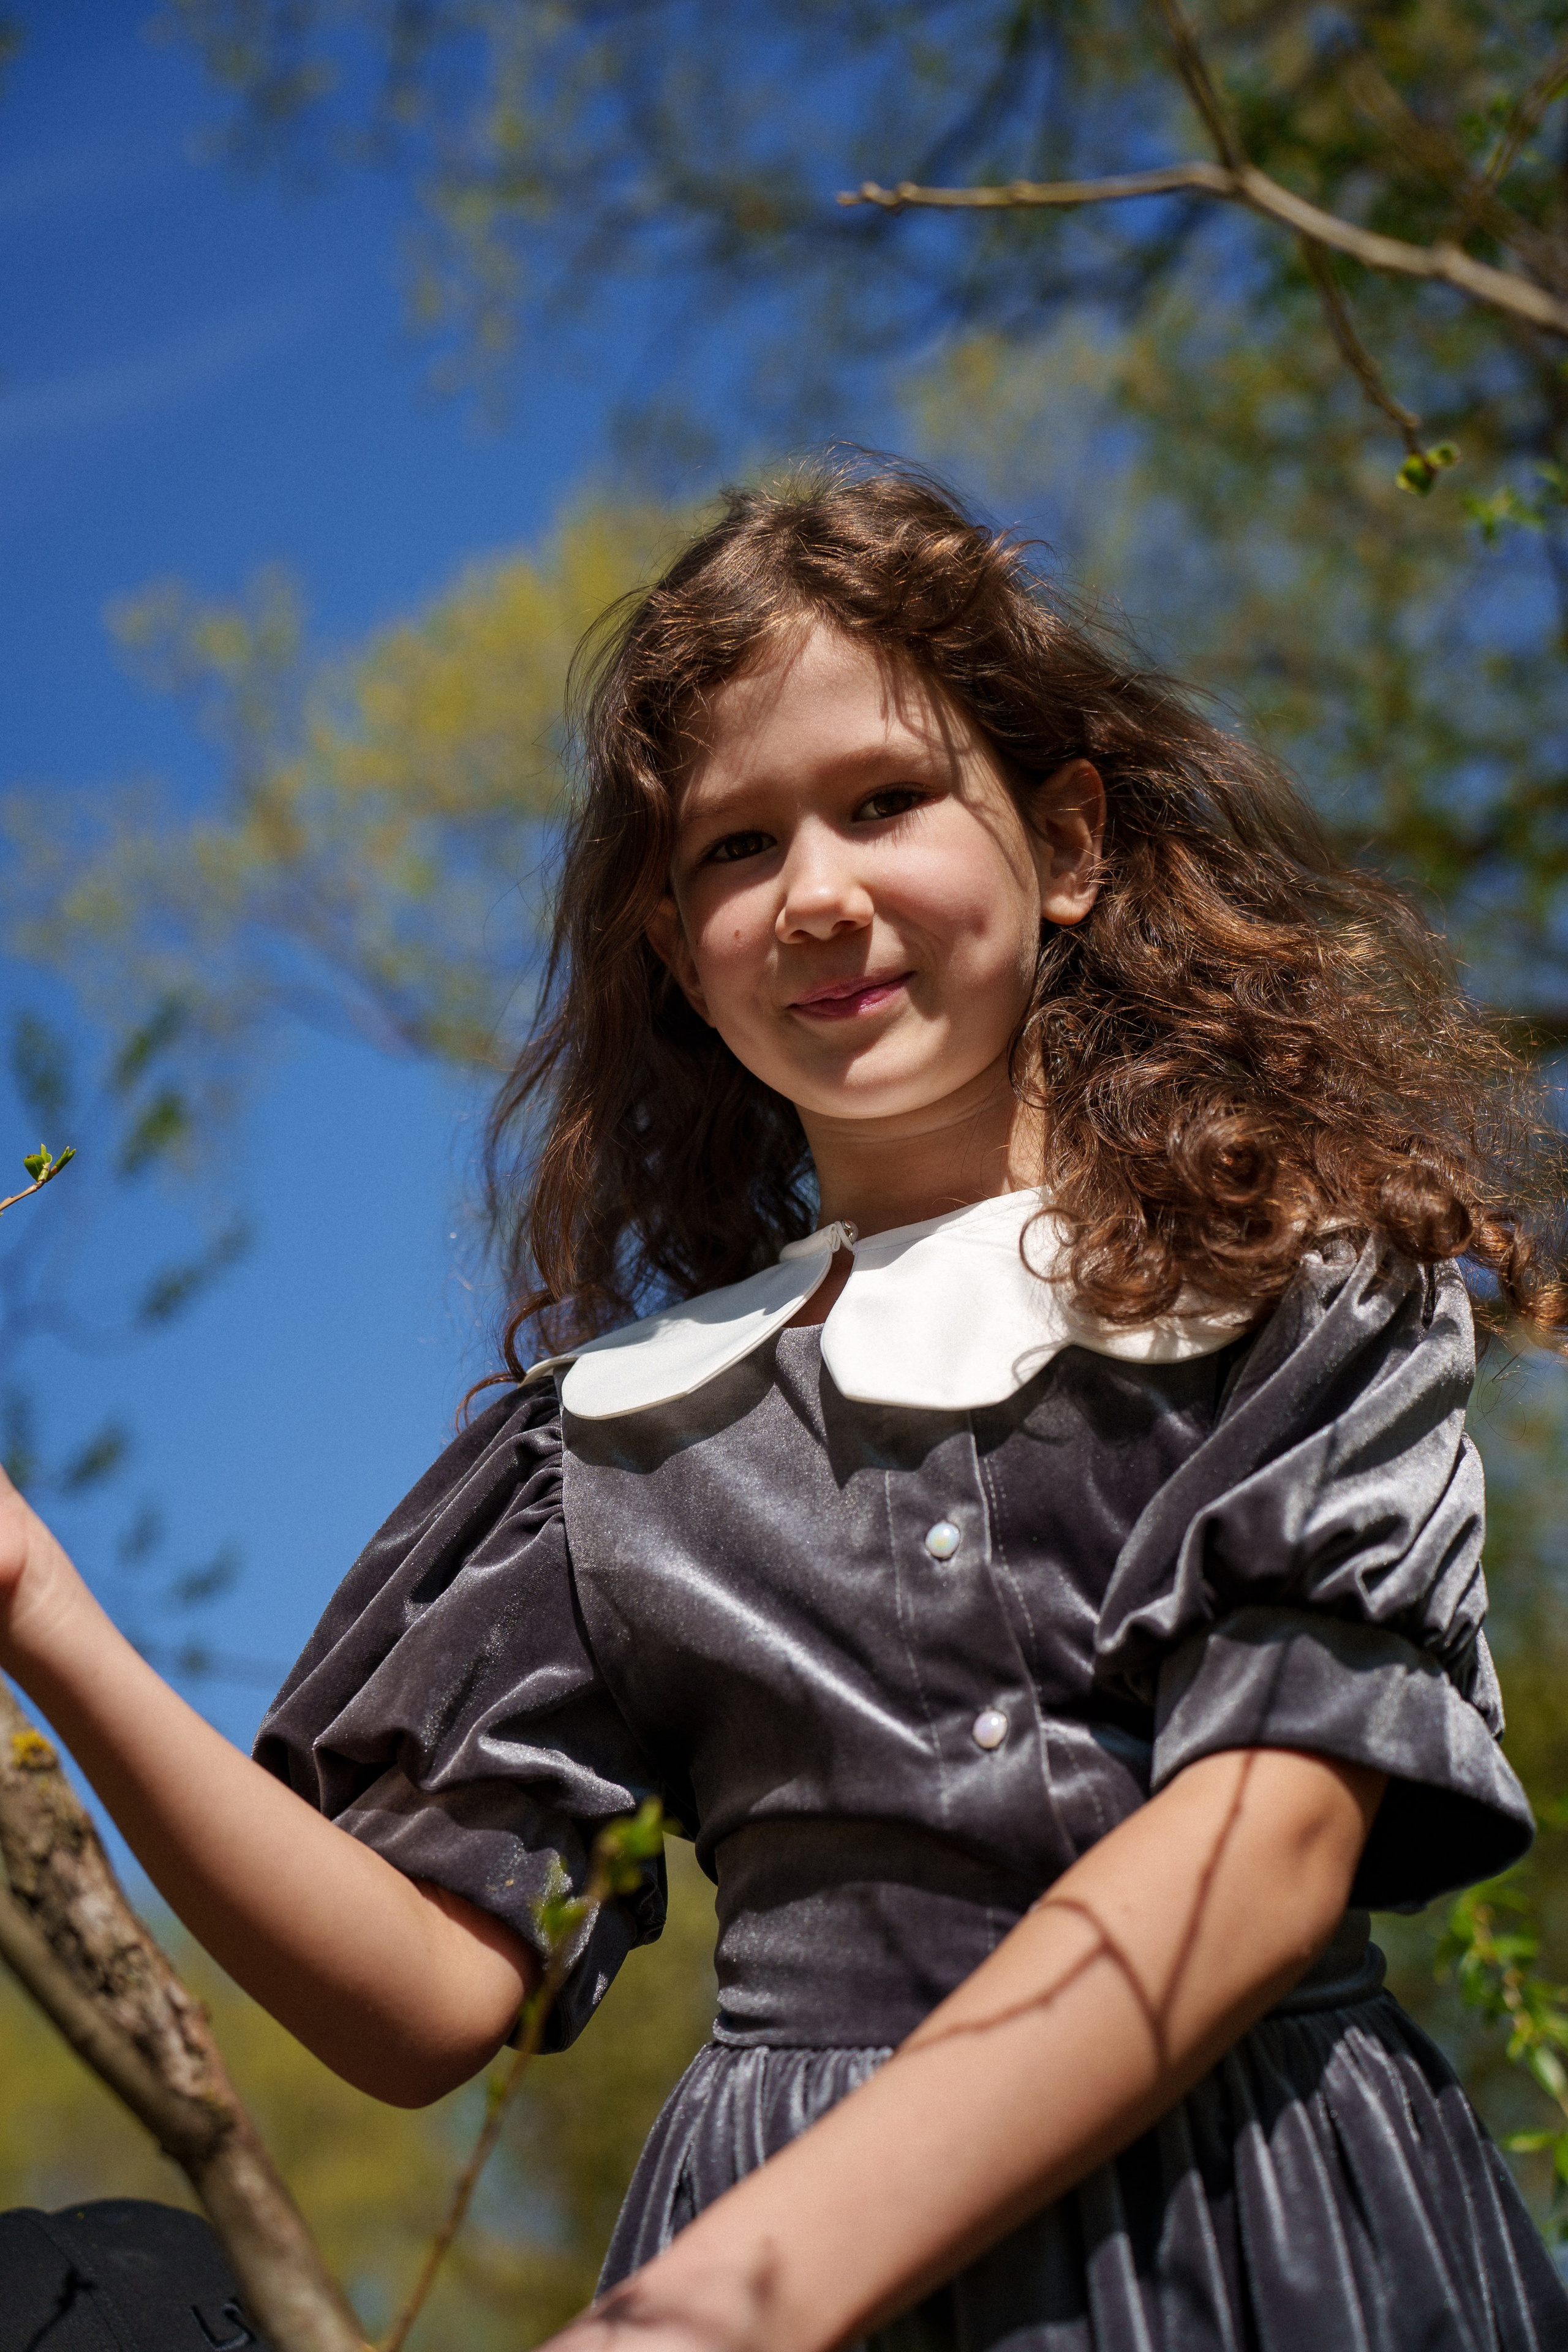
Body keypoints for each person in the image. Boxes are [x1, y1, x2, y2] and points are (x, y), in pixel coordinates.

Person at [1, 459, 1565, 2352]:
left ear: (1065, 846)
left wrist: (726, 2307)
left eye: (887, 801)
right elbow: (418, 2002)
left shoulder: (1299, 1282)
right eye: (735, 848)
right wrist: (46, 1618)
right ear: (673, 945)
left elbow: (1263, 1852)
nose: (817, 893)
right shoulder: (612, 1435)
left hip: (1265, 2238)